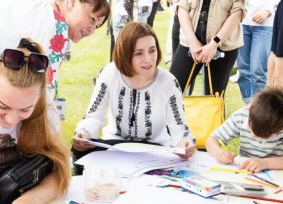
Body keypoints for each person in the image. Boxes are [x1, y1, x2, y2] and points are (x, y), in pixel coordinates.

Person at [72, 22, 196, 175]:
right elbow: (93, 116)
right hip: (114, 147)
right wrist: (84, 133)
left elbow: (179, 128)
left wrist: (185, 143)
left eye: (152, 50)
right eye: (139, 53)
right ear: (125, 54)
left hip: (155, 150)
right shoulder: (109, 73)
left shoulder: (168, 82)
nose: (148, 59)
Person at [0, 39, 70, 204]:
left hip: (12, 197)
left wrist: (31, 199)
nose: (12, 120)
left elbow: (60, 169)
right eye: (3, 106)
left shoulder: (44, 107)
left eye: (25, 109)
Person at [0, 0, 111, 95]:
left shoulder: (39, 8)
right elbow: (46, 87)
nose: (92, 31)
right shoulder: (57, 24)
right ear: (72, 2)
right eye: (92, 19)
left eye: (97, 26)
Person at [205, 88, 283, 172]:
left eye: (266, 137)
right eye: (250, 128)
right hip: (244, 169)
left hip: (276, 172)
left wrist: (265, 163)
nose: (253, 135)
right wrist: (217, 152)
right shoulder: (242, 115)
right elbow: (212, 139)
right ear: (250, 113)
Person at [169, 0, 245, 96]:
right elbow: (182, 8)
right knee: (170, 88)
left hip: (223, 45)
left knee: (215, 98)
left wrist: (214, 43)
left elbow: (238, 13)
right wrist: (192, 41)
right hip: (190, 42)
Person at [237, 0, 279, 104]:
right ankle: (248, 105)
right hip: (242, 23)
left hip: (265, 25)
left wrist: (268, 11)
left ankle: (259, 107)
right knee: (243, 69)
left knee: (258, 70)